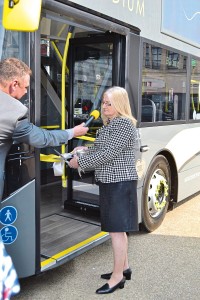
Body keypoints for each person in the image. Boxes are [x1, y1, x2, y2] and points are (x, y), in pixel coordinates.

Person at [69, 86, 138, 294]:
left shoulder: (124, 124)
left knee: (117, 231)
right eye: (104, 103)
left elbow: (108, 153)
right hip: (112, 182)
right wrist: (84, 150)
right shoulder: (113, 124)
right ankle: (124, 268)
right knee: (117, 229)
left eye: (109, 103)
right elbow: (103, 149)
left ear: (119, 104)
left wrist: (79, 163)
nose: (104, 107)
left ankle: (117, 278)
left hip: (119, 183)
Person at [0, 57, 88, 200]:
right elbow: (42, 138)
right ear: (14, 84)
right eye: (26, 87)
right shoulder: (14, 111)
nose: (26, 93)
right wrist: (73, 132)